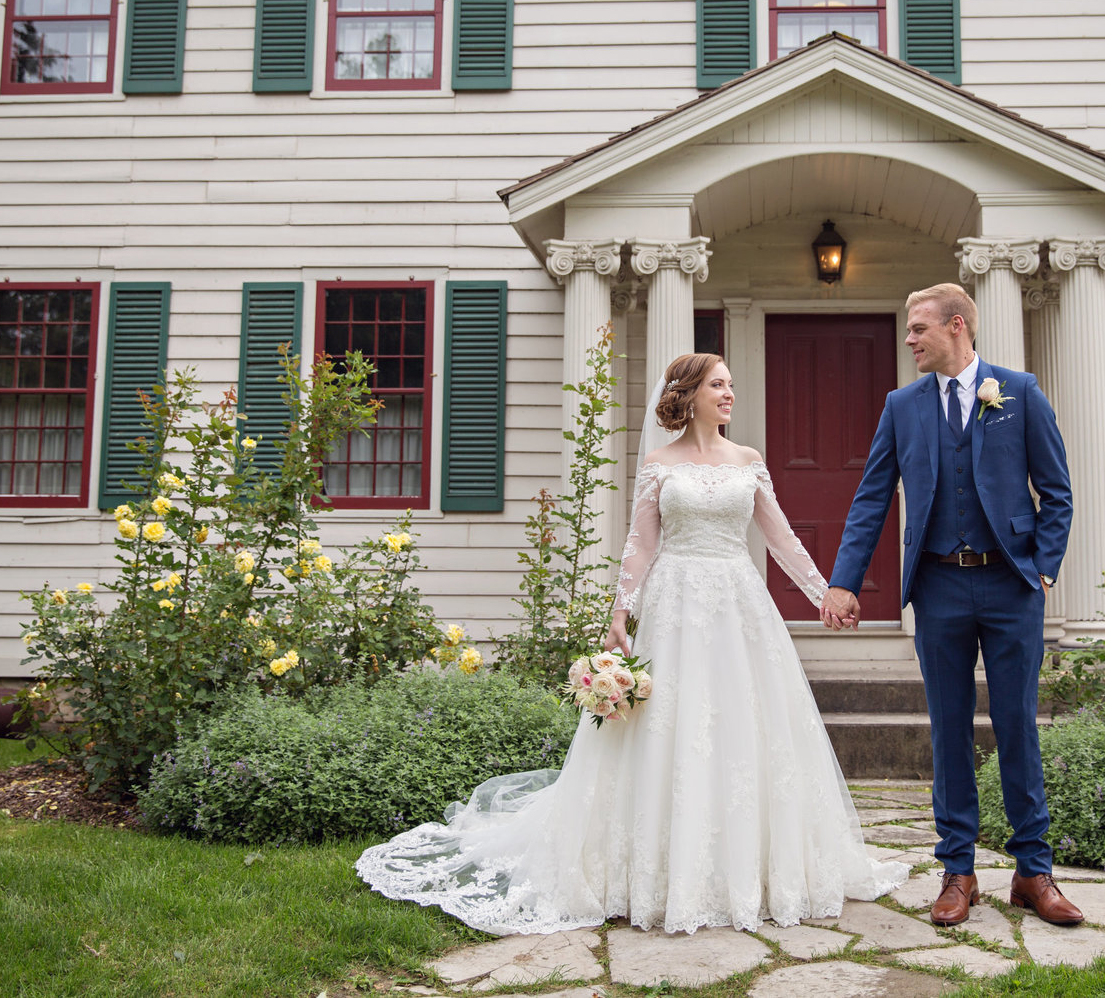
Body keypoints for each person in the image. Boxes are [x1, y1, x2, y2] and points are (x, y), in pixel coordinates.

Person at [355, 353, 906, 935]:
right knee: (668, 726)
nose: (730, 395)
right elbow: (640, 545)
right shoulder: (658, 465)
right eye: (719, 385)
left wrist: (825, 592)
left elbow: (781, 539)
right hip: (674, 606)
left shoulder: (749, 462)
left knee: (744, 725)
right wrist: (621, 612)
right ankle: (651, 870)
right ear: (690, 394)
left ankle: (751, 867)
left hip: (739, 605)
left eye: (731, 385)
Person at [819, 283, 1084, 929]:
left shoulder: (1020, 391)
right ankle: (957, 871)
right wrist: (843, 579)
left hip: (1010, 585)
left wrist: (1043, 572)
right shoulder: (902, 406)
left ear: (956, 326)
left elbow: (1058, 492)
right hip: (938, 587)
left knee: (1018, 724)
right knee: (949, 728)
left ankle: (1033, 870)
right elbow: (871, 497)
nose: (908, 339)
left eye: (918, 329)